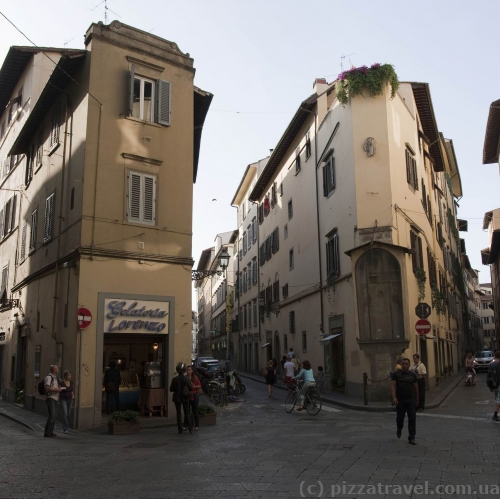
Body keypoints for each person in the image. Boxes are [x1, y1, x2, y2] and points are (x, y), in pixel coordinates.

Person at [391, 357, 418, 445]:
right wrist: (394, 397)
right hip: (400, 400)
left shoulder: (412, 375)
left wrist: (417, 400)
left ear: (409, 365)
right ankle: (399, 428)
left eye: (406, 364)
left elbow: (416, 388)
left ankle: (412, 437)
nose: (404, 365)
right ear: (401, 364)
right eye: (403, 364)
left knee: (412, 418)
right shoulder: (396, 374)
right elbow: (392, 386)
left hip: (410, 399)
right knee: (400, 418)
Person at [170, 362, 193, 434]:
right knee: (187, 412)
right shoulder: (186, 379)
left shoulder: (174, 379)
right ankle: (190, 428)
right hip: (185, 398)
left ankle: (180, 428)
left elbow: (171, 389)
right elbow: (191, 388)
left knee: (178, 413)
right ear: (184, 370)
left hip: (177, 398)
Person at [43, 365, 65, 438]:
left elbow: (56, 387)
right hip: (50, 398)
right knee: (52, 415)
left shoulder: (56, 378)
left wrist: (60, 387)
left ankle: (50, 431)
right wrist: (56, 390)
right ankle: (47, 432)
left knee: (54, 416)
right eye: (57, 369)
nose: (58, 370)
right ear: (54, 370)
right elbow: (47, 388)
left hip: (55, 398)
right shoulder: (49, 377)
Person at [183, 365, 201, 431]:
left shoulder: (195, 377)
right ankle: (185, 425)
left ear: (192, 370)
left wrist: (194, 386)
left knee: (195, 410)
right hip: (187, 396)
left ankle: (197, 425)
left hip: (194, 395)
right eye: (187, 370)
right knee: (187, 411)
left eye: (189, 370)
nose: (188, 371)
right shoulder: (185, 378)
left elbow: (199, 385)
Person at [488, 351, 500, 422]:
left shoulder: (491, 364)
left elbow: (489, 376)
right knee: (499, 399)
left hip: (494, 384)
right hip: (499, 384)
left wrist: (490, 386)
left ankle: (495, 414)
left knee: (497, 397)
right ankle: (495, 415)